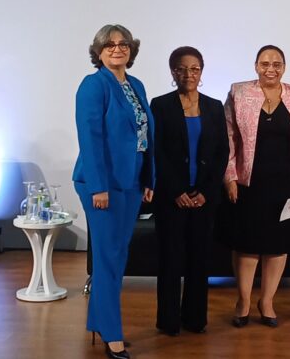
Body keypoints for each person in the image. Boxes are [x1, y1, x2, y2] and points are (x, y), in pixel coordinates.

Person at [72, 24, 154, 359]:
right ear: (99, 51)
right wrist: (99, 187)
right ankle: (112, 334)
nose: (117, 49)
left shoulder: (136, 85)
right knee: (107, 260)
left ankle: (99, 322)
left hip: (131, 183)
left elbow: (145, 136)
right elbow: (90, 139)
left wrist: (149, 177)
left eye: (123, 44)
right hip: (101, 185)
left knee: (117, 257)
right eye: (109, 44)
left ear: (131, 50)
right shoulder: (93, 85)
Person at [223, 45, 290, 328]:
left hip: (286, 184)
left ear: (284, 67)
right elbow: (228, 137)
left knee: (278, 245)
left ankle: (267, 302)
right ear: (255, 66)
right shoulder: (238, 92)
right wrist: (229, 176)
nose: (270, 69)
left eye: (277, 63)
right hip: (248, 182)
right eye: (264, 63)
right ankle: (243, 302)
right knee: (247, 245)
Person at [150, 47, 229, 336]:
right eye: (182, 69)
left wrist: (206, 191)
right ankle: (169, 322)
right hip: (172, 198)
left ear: (202, 71)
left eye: (194, 69)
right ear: (173, 72)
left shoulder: (214, 106)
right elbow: (157, 153)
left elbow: (222, 152)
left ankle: (195, 319)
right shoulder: (159, 105)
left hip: (204, 199)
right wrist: (176, 191)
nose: (188, 74)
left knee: (199, 260)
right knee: (170, 260)